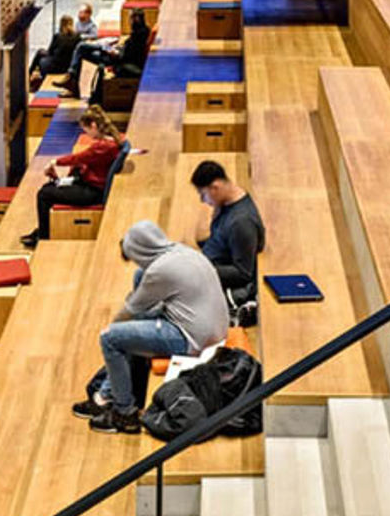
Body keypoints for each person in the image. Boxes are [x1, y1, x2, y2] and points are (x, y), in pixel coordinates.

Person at [74, 220, 228, 434]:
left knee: (110, 338)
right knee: (139, 282)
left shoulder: (159, 271)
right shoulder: (181, 251)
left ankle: (123, 413)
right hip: (209, 324)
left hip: (192, 337)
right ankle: (106, 394)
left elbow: (129, 311)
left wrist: (115, 329)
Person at [21, 106, 123, 249]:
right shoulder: (113, 139)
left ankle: (43, 237)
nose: (85, 134)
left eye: (86, 130)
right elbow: (88, 160)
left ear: (93, 125)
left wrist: (55, 162)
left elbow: (80, 157)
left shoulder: (103, 146)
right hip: (91, 183)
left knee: (44, 195)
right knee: (49, 187)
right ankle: (43, 229)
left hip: (93, 192)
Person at [190, 161, 266, 324]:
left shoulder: (241, 222)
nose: (203, 200)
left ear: (215, 188)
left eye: (203, 194)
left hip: (214, 276)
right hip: (207, 264)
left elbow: (243, 272)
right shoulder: (226, 203)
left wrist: (203, 270)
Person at [58, 9, 151, 97]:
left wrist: (113, 51)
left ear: (136, 19)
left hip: (119, 61)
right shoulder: (143, 30)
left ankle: (71, 79)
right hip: (120, 56)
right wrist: (119, 47)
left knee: (82, 48)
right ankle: (71, 80)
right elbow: (130, 50)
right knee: (82, 49)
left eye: (130, 18)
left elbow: (125, 56)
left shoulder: (138, 35)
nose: (129, 21)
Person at [29, 15, 80, 87]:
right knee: (41, 53)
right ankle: (33, 76)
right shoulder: (77, 36)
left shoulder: (58, 36)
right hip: (68, 66)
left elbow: (50, 52)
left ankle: (29, 75)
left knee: (40, 53)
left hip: (56, 66)